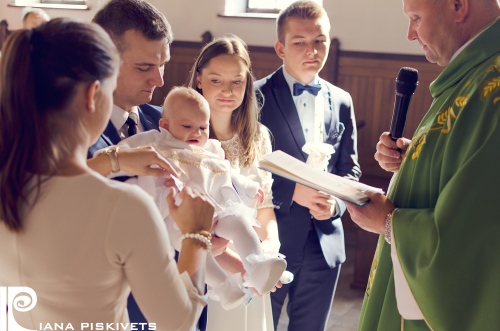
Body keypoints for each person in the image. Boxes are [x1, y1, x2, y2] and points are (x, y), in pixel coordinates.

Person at [0, 18, 213, 330]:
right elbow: (177, 324)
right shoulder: (124, 207)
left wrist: (113, 160)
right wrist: (196, 235)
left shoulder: (12, 185)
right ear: (93, 94)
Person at [346, 0, 500, 330]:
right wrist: (416, 154)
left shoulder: (492, 87)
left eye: (415, 18)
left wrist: (389, 221)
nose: (410, 34)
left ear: (458, 6)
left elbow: (477, 232)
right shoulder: (475, 74)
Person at [254, 1, 361, 330]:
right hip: (270, 239)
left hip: (325, 244)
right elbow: (242, 169)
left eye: (320, 40)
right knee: (259, 325)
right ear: (280, 48)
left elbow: (351, 171)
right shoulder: (254, 97)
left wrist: (336, 203)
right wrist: (290, 192)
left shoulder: (342, 100)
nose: (312, 50)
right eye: (299, 41)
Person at [188, 34, 282, 331]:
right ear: (199, 79)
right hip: (212, 264)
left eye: (237, 81)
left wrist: (268, 249)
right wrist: (244, 266)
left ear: (248, 83)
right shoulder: (187, 137)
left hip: (253, 258)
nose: (227, 91)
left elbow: (265, 207)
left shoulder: (258, 137)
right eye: (216, 81)